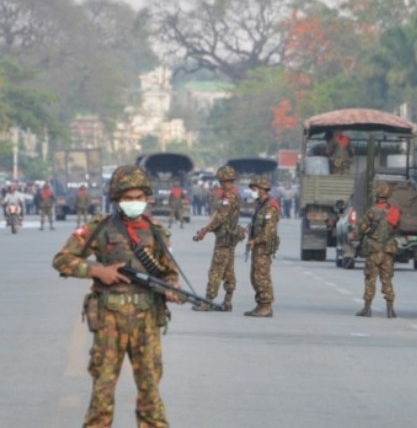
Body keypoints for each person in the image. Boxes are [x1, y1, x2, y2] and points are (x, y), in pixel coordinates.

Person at [52, 165, 180, 428]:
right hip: (109, 320)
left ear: (146, 198)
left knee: (150, 395)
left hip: (146, 321)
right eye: (128, 198)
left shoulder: (156, 232)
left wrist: (170, 289)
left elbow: (169, 273)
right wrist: (98, 270)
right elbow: (62, 260)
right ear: (117, 198)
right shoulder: (98, 228)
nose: (134, 203)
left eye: (139, 198)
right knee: (102, 392)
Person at [192, 165, 242, 312]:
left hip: (224, 238)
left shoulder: (229, 197)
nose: (221, 184)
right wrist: (205, 229)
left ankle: (208, 301)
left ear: (226, 180)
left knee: (216, 269)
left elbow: (220, 217)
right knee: (228, 270)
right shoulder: (234, 194)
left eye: (222, 181)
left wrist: (205, 231)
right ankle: (227, 301)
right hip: (230, 237)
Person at [355, 182, 401, 318]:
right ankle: (390, 310)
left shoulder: (372, 211)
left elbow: (361, 229)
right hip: (387, 251)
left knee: (370, 278)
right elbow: (397, 228)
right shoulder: (394, 212)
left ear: (377, 196)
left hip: (374, 251)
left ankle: (367, 309)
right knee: (387, 279)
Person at [244, 175, 281, 317]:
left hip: (263, 247)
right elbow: (258, 224)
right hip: (257, 246)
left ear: (262, 190)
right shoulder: (260, 205)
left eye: (254, 189)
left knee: (262, 276)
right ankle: (260, 304)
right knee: (254, 276)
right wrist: (250, 228)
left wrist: (255, 240)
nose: (252, 191)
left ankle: (266, 306)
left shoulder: (270, 207)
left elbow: (268, 231)